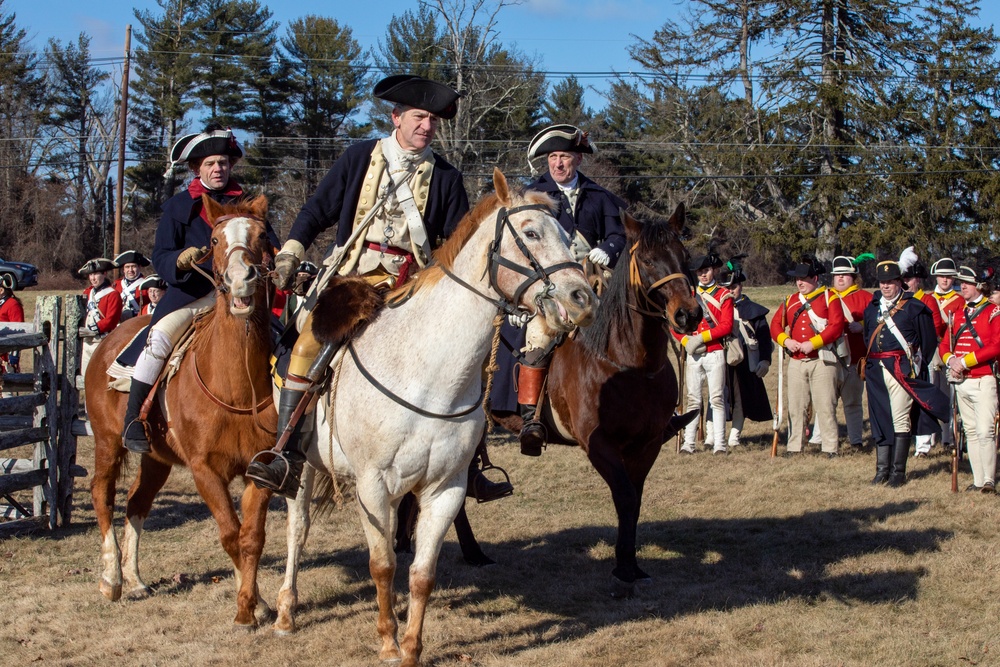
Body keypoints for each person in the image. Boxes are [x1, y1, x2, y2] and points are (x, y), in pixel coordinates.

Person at [245, 74, 506, 501]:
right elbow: (317, 210)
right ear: (396, 117)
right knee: (308, 347)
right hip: (354, 276)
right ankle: (285, 454)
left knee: (464, 363)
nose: (427, 126)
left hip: (413, 286)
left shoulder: (445, 177)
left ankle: (471, 463)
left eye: (433, 121)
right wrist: (292, 249)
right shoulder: (358, 158)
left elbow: (457, 242)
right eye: (419, 117)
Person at [118, 126, 280, 455]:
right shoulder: (179, 206)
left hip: (241, 295)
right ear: (196, 169)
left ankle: (293, 424)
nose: (218, 168)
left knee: (285, 342)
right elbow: (161, 254)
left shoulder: (248, 204)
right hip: (191, 294)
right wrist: (179, 259)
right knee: (160, 337)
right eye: (210, 164)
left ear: (231, 166)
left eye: (222, 162)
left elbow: (271, 248)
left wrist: (270, 260)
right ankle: (135, 417)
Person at [489, 123, 627, 457]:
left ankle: (651, 407)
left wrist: (608, 249)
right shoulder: (533, 194)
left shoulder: (600, 196)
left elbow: (619, 234)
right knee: (539, 335)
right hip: (550, 285)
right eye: (553, 157)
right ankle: (530, 416)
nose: (558, 164)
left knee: (629, 329)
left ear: (578, 159)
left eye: (564, 156)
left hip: (594, 281)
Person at [863, 259, 949, 486]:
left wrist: (914, 366)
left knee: (900, 418)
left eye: (890, 282)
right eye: (882, 282)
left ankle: (898, 473)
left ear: (899, 282)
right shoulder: (873, 308)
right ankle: (882, 471)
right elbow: (867, 338)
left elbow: (928, 342)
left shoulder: (914, 307)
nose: (885, 286)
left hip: (901, 369)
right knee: (881, 418)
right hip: (875, 371)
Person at [769, 257, 845, 456]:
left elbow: (836, 326)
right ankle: (795, 446)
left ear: (815, 278)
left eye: (804, 278)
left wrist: (813, 343)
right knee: (796, 406)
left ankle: (830, 447)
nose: (800, 283)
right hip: (796, 361)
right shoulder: (791, 300)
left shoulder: (830, 297)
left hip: (821, 359)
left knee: (825, 406)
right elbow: (775, 325)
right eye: (797, 279)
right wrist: (786, 341)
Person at [940, 265, 1000, 492]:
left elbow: (996, 346)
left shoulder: (993, 312)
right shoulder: (956, 313)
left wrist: (964, 362)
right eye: (960, 282)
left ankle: (989, 480)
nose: (962, 286)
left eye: (967, 282)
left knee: (986, 431)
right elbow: (945, 345)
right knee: (971, 431)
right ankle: (978, 480)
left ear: (981, 286)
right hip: (961, 381)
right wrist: (951, 361)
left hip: (983, 379)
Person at [674, 250, 734, 454]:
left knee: (717, 399)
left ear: (714, 270)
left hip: (715, 351)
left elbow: (726, 326)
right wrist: (685, 340)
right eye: (700, 272)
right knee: (693, 399)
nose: (703, 275)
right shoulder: (690, 295)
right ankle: (688, 443)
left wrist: (701, 338)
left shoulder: (724, 295)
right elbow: (674, 324)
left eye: (706, 270)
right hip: (694, 353)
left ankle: (719, 444)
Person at [710, 259, 772, 448]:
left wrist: (765, 360)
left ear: (741, 286)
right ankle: (711, 437)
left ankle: (734, 437)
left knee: (740, 399)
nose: (731, 291)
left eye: (734, 286)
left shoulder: (752, 309)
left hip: (744, 359)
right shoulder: (715, 306)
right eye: (727, 287)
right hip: (718, 356)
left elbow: (764, 337)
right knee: (716, 396)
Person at [816, 255, 873, 449]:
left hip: (854, 358)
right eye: (837, 275)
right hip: (828, 359)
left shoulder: (866, 298)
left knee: (853, 403)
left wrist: (863, 326)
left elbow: (878, 323)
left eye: (845, 275)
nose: (840, 279)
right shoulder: (823, 296)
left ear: (853, 277)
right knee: (824, 403)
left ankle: (856, 440)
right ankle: (821, 439)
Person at [918, 257, 963, 457]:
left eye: (949, 277)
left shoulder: (960, 300)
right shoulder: (927, 298)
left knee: (949, 395)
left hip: (950, 350)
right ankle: (926, 441)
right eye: (942, 277)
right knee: (928, 393)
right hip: (930, 349)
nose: (945, 280)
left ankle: (948, 437)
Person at [78, 257, 123, 378]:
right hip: (87, 341)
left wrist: (94, 328)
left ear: (104, 274)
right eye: (91, 275)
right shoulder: (87, 293)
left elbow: (111, 320)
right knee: (86, 376)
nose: (93, 278)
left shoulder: (113, 294)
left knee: (100, 377)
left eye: (96, 274)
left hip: (102, 341)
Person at [113, 250, 151, 322]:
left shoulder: (147, 284)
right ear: (123, 269)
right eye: (127, 267)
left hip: (139, 322)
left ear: (139, 267)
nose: (130, 270)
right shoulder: (116, 285)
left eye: (133, 266)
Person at [0, 278, 25, 379]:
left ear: (1, 290)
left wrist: (13, 356)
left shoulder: (12, 304)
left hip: (5, 356)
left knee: (7, 389)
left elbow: (18, 332)